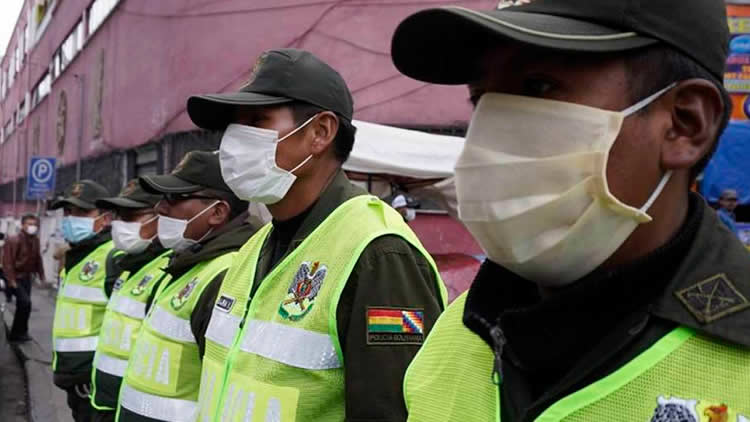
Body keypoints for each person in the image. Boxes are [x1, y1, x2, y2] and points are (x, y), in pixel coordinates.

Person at [391, 0, 750, 420]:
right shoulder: (455, 336)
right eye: (480, 99)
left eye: (538, 87)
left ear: (684, 123)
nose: (489, 136)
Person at [187, 48, 447, 421]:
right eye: (233, 127)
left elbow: (390, 411)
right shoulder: (256, 246)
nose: (233, 142)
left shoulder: (379, 254)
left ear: (320, 133)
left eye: (256, 120)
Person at [115, 151, 257, 422]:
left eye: (175, 198)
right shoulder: (189, 262)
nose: (160, 209)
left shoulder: (226, 275)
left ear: (217, 212)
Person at [89, 180, 170, 422]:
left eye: (131, 216)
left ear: (160, 218)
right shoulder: (125, 265)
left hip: (135, 407)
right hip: (105, 399)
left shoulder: (168, 269)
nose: (121, 225)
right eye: (119, 216)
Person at [49, 180, 115, 422]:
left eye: (82, 212)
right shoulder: (77, 255)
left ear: (105, 218)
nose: (71, 218)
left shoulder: (112, 256)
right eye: (68, 212)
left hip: (93, 380)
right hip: (74, 378)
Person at [2, 214, 44, 342]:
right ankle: (16, 333)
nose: (33, 227)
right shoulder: (14, 240)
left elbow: (38, 258)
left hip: (26, 277)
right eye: (29, 224)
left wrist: (41, 275)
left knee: (24, 305)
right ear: (23, 225)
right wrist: (11, 280)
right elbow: (7, 262)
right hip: (15, 277)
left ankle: (21, 332)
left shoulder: (35, 240)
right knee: (25, 302)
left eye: (34, 224)